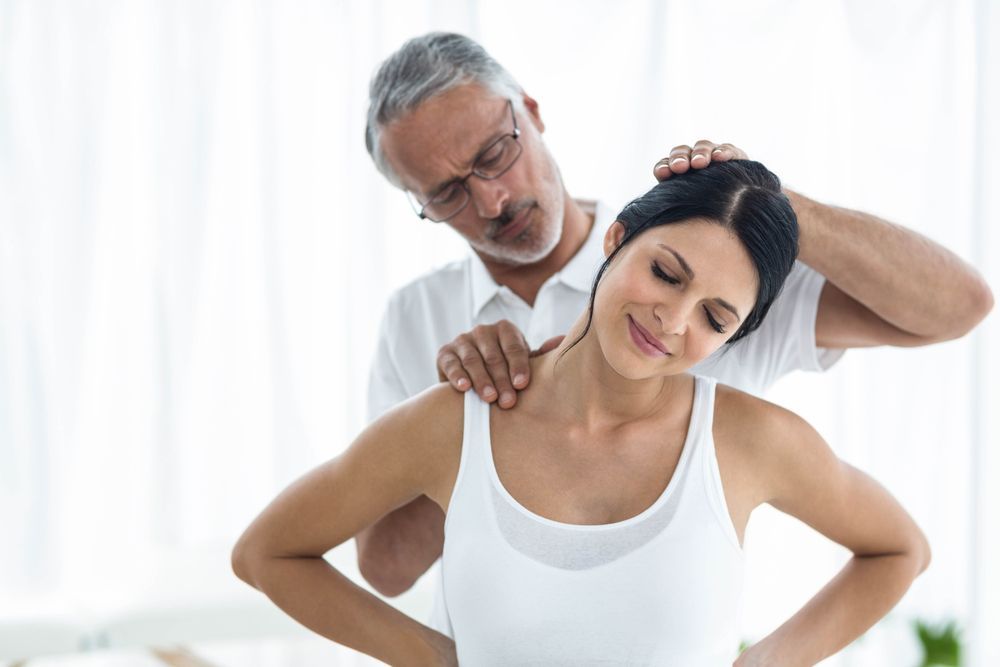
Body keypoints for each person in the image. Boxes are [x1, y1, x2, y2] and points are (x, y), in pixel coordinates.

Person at [356, 32, 993, 606]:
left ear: (531, 111)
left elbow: (960, 307)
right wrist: (463, 421)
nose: (491, 199)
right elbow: (384, 568)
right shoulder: (416, 320)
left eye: (496, 152)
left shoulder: (711, 267)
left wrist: (767, 202)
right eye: (446, 193)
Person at [232, 161, 931, 665]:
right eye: (665, 272)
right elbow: (267, 552)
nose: (672, 319)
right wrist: (434, 659)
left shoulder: (749, 440)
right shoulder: (458, 419)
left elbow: (899, 548)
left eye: (715, 317)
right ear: (616, 237)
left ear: (732, 336)